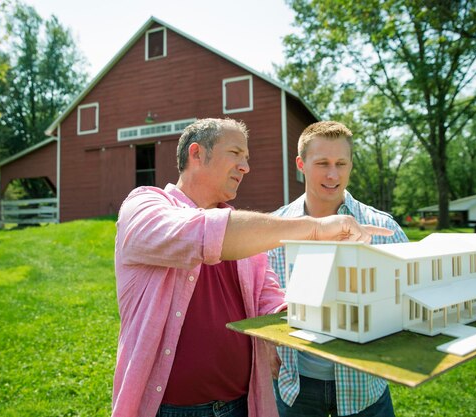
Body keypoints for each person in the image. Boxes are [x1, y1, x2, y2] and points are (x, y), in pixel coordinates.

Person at [112, 118, 393, 417]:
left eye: (246, 158)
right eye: (235, 153)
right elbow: (202, 233)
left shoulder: (244, 230)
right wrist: (315, 229)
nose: (245, 167)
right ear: (196, 154)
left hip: (240, 406)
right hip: (170, 409)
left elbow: (268, 296)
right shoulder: (144, 206)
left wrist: (306, 315)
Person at [268, 121, 409, 417]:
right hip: (295, 387)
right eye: (322, 163)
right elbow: (257, 299)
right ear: (300, 164)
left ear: (350, 165)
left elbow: (412, 295)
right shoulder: (273, 230)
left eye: (341, 163)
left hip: (366, 387)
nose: (333, 174)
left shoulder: (384, 228)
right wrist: (265, 343)